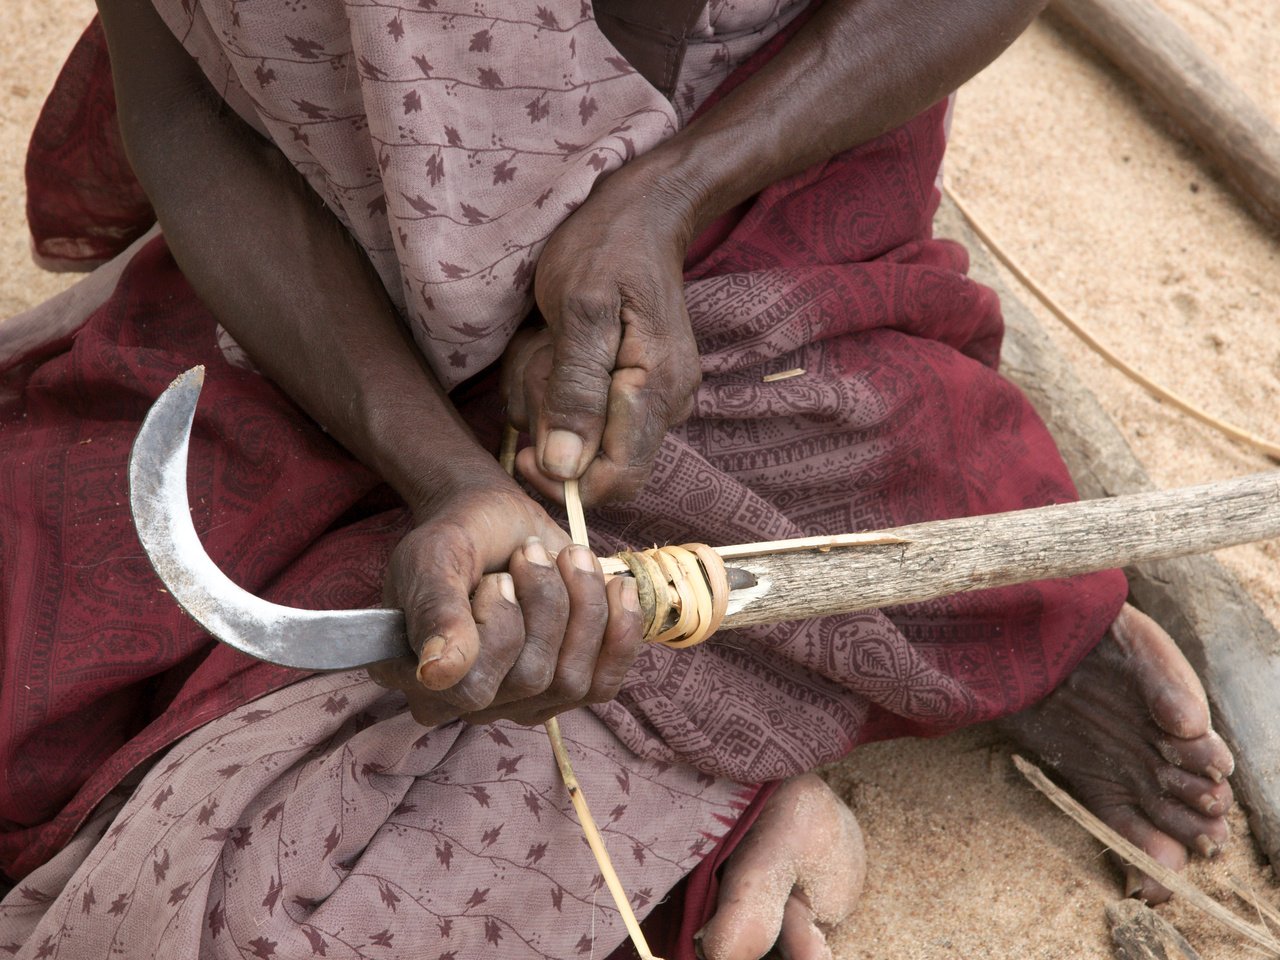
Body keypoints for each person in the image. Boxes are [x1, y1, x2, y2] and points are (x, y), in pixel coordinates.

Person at [0, 1, 1235, 957]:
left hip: (742, 272)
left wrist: (667, 193)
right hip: (321, 271)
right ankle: (775, 704)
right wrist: (441, 472)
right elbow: (183, 115)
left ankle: (865, 648)